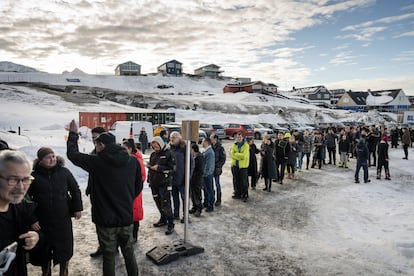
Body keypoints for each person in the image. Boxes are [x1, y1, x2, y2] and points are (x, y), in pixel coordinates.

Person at [67, 120, 142, 276]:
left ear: (101, 145)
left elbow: (72, 155)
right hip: (126, 217)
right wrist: (126, 199)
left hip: (105, 219)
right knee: (129, 253)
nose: (96, 147)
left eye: (97, 144)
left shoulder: (97, 161)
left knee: (108, 256)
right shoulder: (132, 161)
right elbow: (138, 186)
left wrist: (73, 135)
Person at [28, 147, 83, 276]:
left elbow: (75, 190)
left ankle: (64, 272)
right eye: (48, 157)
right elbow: (26, 199)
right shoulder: (33, 176)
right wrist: (32, 219)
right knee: (44, 252)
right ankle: (46, 272)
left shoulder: (64, 172)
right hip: (43, 221)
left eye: (53, 156)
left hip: (62, 219)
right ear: (40, 160)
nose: (52, 159)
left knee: (64, 250)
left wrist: (77, 208)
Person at [0, 150, 40, 276]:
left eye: (26, 179)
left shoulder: (19, 208)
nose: (21, 187)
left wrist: (36, 238)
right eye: (13, 179)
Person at [147, 136, 176, 235]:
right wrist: (149, 180)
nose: (155, 148)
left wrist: (159, 168)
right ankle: (163, 219)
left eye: (157, 146)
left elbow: (172, 169)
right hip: (154, 183)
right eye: (153, 147)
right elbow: (151, 168)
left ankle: (171, 224)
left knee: (166, 203)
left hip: (164, 184)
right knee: (158, 202)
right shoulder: (153, 155)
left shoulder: (168, 154)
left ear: (161, 144)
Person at [122, 139, 146, 243]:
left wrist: (133, 186)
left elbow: (142, 176)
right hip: (127, 190)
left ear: (130, 149)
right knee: (129, 213)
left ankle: (134, 236)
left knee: (135, 214)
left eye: (125, 148)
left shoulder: (137, 160)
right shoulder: (125, 159)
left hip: (135, 191)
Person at [87, 126, 106, 258]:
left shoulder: (111, 153)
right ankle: (103, 246)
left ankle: (111, 247)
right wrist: (89, 187)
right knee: (99, 221)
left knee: (108, 222)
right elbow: (92, 173)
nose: (94, 141)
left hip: (107, 193)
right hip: (96, 192)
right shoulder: (94, 152)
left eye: (96, 138)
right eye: (92, 138)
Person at [169, 131, 194, 220]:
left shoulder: (184, 148)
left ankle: (186, 216)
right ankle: (176, 214)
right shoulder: (170, 148)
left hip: (183, 178)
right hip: (173, 179)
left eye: (174, 137)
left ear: (179, 138)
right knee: (174, 197)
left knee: (184, 198)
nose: (172, 139)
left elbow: (191, 163)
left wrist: (188, 177)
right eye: (171, 137)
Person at [230, 132, 249, 202]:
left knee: (244, 181)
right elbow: (231, 154)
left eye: (240, 137)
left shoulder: (246, 145)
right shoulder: (234, 145)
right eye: (237, 137)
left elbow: (244, 156)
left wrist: (236, 154)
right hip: (235, 166)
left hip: (243, 166)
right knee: (236, 180)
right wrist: (239, 156)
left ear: (243, 138)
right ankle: (237, 193)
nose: (239, 139)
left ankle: (245, 195)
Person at [210, 134, 226, 207]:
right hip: (210, 168)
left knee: (217, 184)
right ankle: (212, 199)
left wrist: (218, 166)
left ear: (215, 139)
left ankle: (218, 200)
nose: (210, 140)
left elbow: (223, 159)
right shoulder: (210, 147)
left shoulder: (220, 148)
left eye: (211, 138)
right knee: (210, 185)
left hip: (216, 169)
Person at [189, 143, 204, 217]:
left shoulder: (200, 157)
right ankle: (194, 207)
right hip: (192, 180)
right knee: (192, 194)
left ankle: (199, 208)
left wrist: (193, 175)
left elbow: (200, 170)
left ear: (193, 149)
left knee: (197, 194)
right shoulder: (192, 157)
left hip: (197, 180)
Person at [202, 137, 215, 212]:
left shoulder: (209, 152)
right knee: (206, 189)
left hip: (207, 174)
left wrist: (204, 174)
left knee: (209, 189)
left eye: (203, 141)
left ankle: (210, 205)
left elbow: (208, 165)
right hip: (206, 174)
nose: (202, 143)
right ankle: (206, 202)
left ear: (207, 142)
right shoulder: (206, 151)